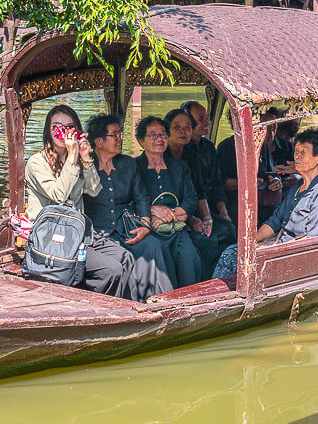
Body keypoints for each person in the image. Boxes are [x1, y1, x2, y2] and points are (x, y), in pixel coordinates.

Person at [24, 105, 132, 299]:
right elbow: (59, 196)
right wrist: (72, 159)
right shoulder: (36, 163)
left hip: (78, 235)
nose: (62, 131)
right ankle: (99, 309)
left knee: (126, 257)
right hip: (51, 239)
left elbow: (94, 189)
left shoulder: (77, 159)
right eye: (56, 126)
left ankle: (126, 309)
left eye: (69, 127)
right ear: (48, 131)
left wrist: (84, 157)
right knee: (112, 270)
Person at [211, 128, 318, 279]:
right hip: (282, 246)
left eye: (303, 152)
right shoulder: (297, 186)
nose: (297, 157)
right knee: (232, 252)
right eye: (297, 151)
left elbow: (314, 238)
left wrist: (272, 249)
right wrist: (252, 241)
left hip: (304, 255)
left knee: (246, 262)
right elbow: (276, 221)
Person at [83, 114, 174, 301]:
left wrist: (145, 227)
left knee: (152, 246)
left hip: (126, 228)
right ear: (99, 141)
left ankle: (159, 300)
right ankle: (131, 304)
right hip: (97, 233)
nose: (119, 139)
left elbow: (141, 197)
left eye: (120, 134)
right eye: (114, 135)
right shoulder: (85, 165)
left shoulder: (128, 164)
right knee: (120, 258)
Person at [134, 115, 202, 288]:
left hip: (176, 228)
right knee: (156, 253)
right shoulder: (133, 167)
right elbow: (128, 201)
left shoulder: (180, 167)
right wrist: (151, 211)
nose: (160, 139)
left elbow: (191, 200)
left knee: (188, 255)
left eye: (163, 135)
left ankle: (190, 301)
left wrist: (169, 215)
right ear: (141, 141)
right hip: (149, 229)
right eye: (153, 135)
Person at [164, 107, 226, 272]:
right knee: (206, 241)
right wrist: (191, 219)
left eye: (187, 127)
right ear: (167, 130)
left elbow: (198, 191)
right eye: (177, 128)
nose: (183, 132)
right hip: (170, 214)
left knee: (228, 230)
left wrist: (207, 218)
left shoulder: (191, 155)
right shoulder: (160, 156)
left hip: (192, 210)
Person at [216, 108, 293, 226]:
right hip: (235, 201)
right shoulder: (225, 148)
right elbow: (221, 184)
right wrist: (247, 183)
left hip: (262, 200)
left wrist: (276, 181)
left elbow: (270, 173)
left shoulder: (263, 146)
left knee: (281, 214)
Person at [181, 101, 237, 249]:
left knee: (231, 229)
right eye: (201, 119)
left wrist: (222, 210)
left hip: (210, 204)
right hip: (189, 208)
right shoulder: (182, 150)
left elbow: (217, 182)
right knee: (208, 239)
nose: (206, 122)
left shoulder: (208, 146)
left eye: (207, 117)